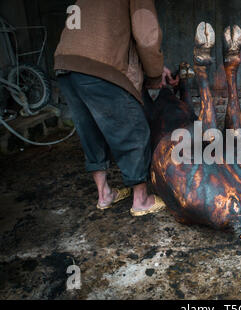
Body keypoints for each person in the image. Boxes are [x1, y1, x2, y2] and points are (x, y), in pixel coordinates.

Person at [54, 0, 177, 216]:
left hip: (67, 64)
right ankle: (141, 200)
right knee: (133, 129)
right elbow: (146, 36)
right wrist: (155, 75)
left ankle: (104, 194)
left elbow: (99, 35)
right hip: (100, 68)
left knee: (89, 129)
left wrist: (157, 68)